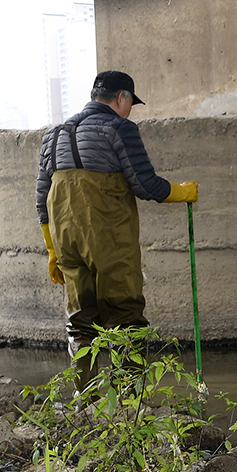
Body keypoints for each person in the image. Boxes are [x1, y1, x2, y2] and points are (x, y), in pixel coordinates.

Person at [35, 70, 198, 388]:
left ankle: (87, 402)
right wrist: (182, 191)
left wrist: (52, 249)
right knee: (125, 317)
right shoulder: (119, 128)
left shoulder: (52, 136)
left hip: (65, 238)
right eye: (130, 102)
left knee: (80, 321)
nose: (130, 109)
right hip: (108, 237)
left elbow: (42, 199)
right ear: (121, 97)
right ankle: (130, 404)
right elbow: (145, 184)